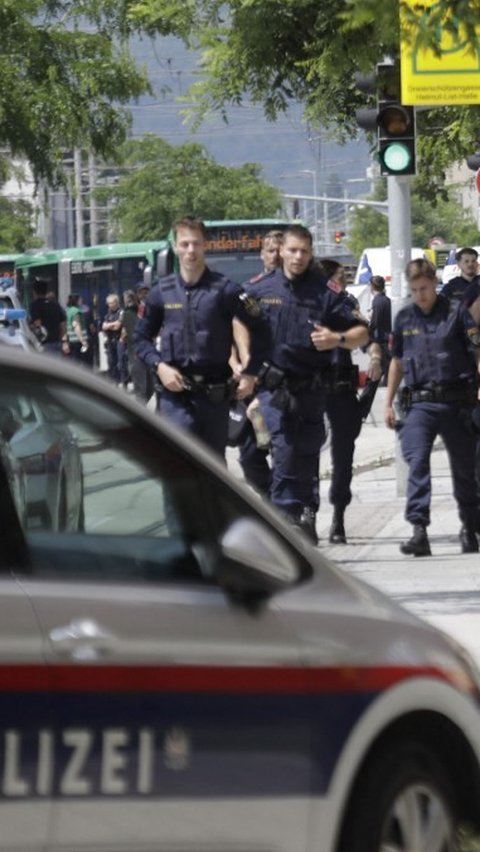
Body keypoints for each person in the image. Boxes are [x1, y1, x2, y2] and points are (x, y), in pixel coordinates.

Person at [248, 224, 369, 543]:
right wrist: (242, 369)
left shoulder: (326, 292)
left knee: (306, 451)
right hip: (274, 388)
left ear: (311, 252)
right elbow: (235, 322)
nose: (298, 256)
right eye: (292, 250)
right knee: (284, 446)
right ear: (281, 251)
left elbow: (362, 332)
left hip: (313, 387)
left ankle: (304, 512)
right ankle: (285, 517)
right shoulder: (259, 289)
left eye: (304, 251)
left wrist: (337, 338)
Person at [134, 215, 269, 458]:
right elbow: (140, 338)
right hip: (175, 399)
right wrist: (160, 366)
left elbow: (263, 330)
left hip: (214, 400)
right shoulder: (160, 293)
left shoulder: (227, 290)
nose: (190, 250)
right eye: (184, 244)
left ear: (205, 245)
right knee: (177, 469)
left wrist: (250, 373)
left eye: (196, 243)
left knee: (212, 472)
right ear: (175, 247)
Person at [385, 257, 480, 557]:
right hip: (420, 404)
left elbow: (477, 354)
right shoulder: (404, 319)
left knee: (465, 472)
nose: (420, 295)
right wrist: (387, 402)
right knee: (417, 462)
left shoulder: (457, 314)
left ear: (435, 284)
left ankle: (470, 528)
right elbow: (397, 362)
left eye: (424, 288)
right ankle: (419, 531)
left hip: (457, 403)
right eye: (414, 290)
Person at [317, 258, 376, 544]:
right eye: (340, 276)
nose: (342, 281)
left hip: (340, 387)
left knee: (343, 456)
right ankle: (304, 513)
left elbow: (365, 334)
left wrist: (374, 354)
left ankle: (338, 517)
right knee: (301, 455)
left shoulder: (344, 301)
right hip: (310, 388)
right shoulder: (306, 300)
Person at [232, 230, 285, 496]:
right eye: (270, 250)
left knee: (282, 451)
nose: (275, 255)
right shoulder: (251, 290)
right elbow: (234, 328)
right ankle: (268, 498)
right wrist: (236, 363)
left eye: (279, 250)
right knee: (249, 455)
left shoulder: (296, 291)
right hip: (254, 384)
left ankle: (283, 505)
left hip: (282, 386)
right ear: (262, 255)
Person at [29, 277, 69, 356]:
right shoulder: (55, 305)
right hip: (57, 343)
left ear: (34, 292)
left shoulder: (35, 305)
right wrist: (64, 342)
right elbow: (63, 325)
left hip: (44, 345)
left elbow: (38, 324)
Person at [368, 275, 392, 384]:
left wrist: (368, 331)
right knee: (387, 368)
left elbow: (375, 322)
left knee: (381, 369)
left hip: (380, 339)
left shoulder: (377, 301)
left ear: (372, 286)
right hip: (388, 338)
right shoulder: (388, 300)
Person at [117, 289, 138, 390]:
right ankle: (127, 381)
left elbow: (122, 325)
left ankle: (133, 382)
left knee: (131, 363)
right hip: (127, 340)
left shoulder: (132, 309)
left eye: (127, 298)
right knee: (124, 362)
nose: (126, 300)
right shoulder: (125, 310)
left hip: (131, 340)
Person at [102, 294, 123, 382]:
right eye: (108, 303)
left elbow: (117, 326)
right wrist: (112, 325)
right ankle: (112, 381)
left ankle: (122, 381)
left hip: (119, 340)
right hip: (110, 341)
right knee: (111, 362)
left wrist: (109, 325)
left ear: (116, 303)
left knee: (121, 362)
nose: (109, 305)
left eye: (111, 303)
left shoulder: (121, 312)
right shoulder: (108, 314)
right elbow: (103, 326)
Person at [66, 293, 89, 362]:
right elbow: (76, 325)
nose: (81, 301)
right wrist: (83, 341)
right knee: (81, 362)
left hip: (71, 339)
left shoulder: (68, 310)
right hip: (78, 340)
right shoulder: (76, 311)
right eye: (80, 299)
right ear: (76, 300)